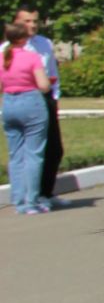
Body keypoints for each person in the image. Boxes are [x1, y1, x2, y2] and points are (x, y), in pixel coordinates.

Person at [3, 21, 53, 215]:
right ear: (23, 39)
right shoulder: (32, 57)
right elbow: (43, 85)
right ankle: (31, 200)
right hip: (31, 103)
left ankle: (19, 200)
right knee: (34, 153)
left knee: (15, 155)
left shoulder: (2, 58)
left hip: (8, 103)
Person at [14, 8, 62, 207]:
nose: (32, 25)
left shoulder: (44, 43)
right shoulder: (8, 48)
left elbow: (52, 71)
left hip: (46, 96)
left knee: (54, 148)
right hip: (24, 98)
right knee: (30, 150)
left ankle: (46, 193)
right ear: (16, 22)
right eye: (27, 21)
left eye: (35, 21)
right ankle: (30, 195)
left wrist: (55, 96)